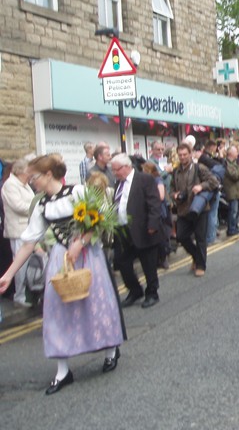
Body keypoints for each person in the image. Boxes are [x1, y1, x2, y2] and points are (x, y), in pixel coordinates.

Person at [0, 155, 123, 394]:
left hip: (87, 256)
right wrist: (8, 274)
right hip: (60, 259)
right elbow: (28, 242)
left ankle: (110, 349)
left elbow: (102, 218)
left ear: (48, 175)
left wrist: (82, 242)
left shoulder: (77, 192)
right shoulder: (42, 205)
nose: (32, 181)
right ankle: (62, 370)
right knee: (56, 311)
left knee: (96, 305)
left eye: (35, 177)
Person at [111, 154, 165, 308]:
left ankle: (152, 293)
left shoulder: (144, 179)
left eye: (116, 170)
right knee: (122, 263)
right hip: (123, 231)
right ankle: (135, 291)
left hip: (144, 229)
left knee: (148, 264)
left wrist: (153, 224)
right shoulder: (118, 183)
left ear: (127, 167)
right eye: (113, 170)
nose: (114, 173)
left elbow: (154, 203)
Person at [171, 143, 219, 276]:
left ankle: (200, 265)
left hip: (199, 209)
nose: (182, 157)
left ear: (190, 154)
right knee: (181, 236)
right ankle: (196, 256)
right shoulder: (176, 171)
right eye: (180, 155)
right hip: (183, 210)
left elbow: (214, 182)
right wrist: (174, 195)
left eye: (185, 154)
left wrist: (201, 186)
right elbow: (171, 188)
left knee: (200, 238)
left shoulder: (199, 168)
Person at [1, 159, 35, 307]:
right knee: (20, 264)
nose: (31, 174)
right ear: (21, 171)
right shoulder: (10, 185)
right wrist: (38, 207)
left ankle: (30, 292)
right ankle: (19, 295)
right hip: (18, 230)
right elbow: (19, 206)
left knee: (31, 264)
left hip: (29, 227)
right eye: (29, 171)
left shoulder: (25, 185)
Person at [198, 140, 224, 245]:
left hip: (212, 187)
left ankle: (212, 234)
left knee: (212, 214)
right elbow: (221, 166)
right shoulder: (205, 157)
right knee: (211, 214)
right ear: (212, 147)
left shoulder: (207, 157)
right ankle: (210, 237)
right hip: (210, 188)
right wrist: (221, 155)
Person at [222, 144, 239, 237]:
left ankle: (235, 227)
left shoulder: (235, 162)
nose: (237, 153)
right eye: (235, 151)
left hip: (238, 191)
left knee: (237, 211)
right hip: (232, 191)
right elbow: (234, 175)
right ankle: (231, 229)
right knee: (233, 211)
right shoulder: (227, 164)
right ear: (231, 153)